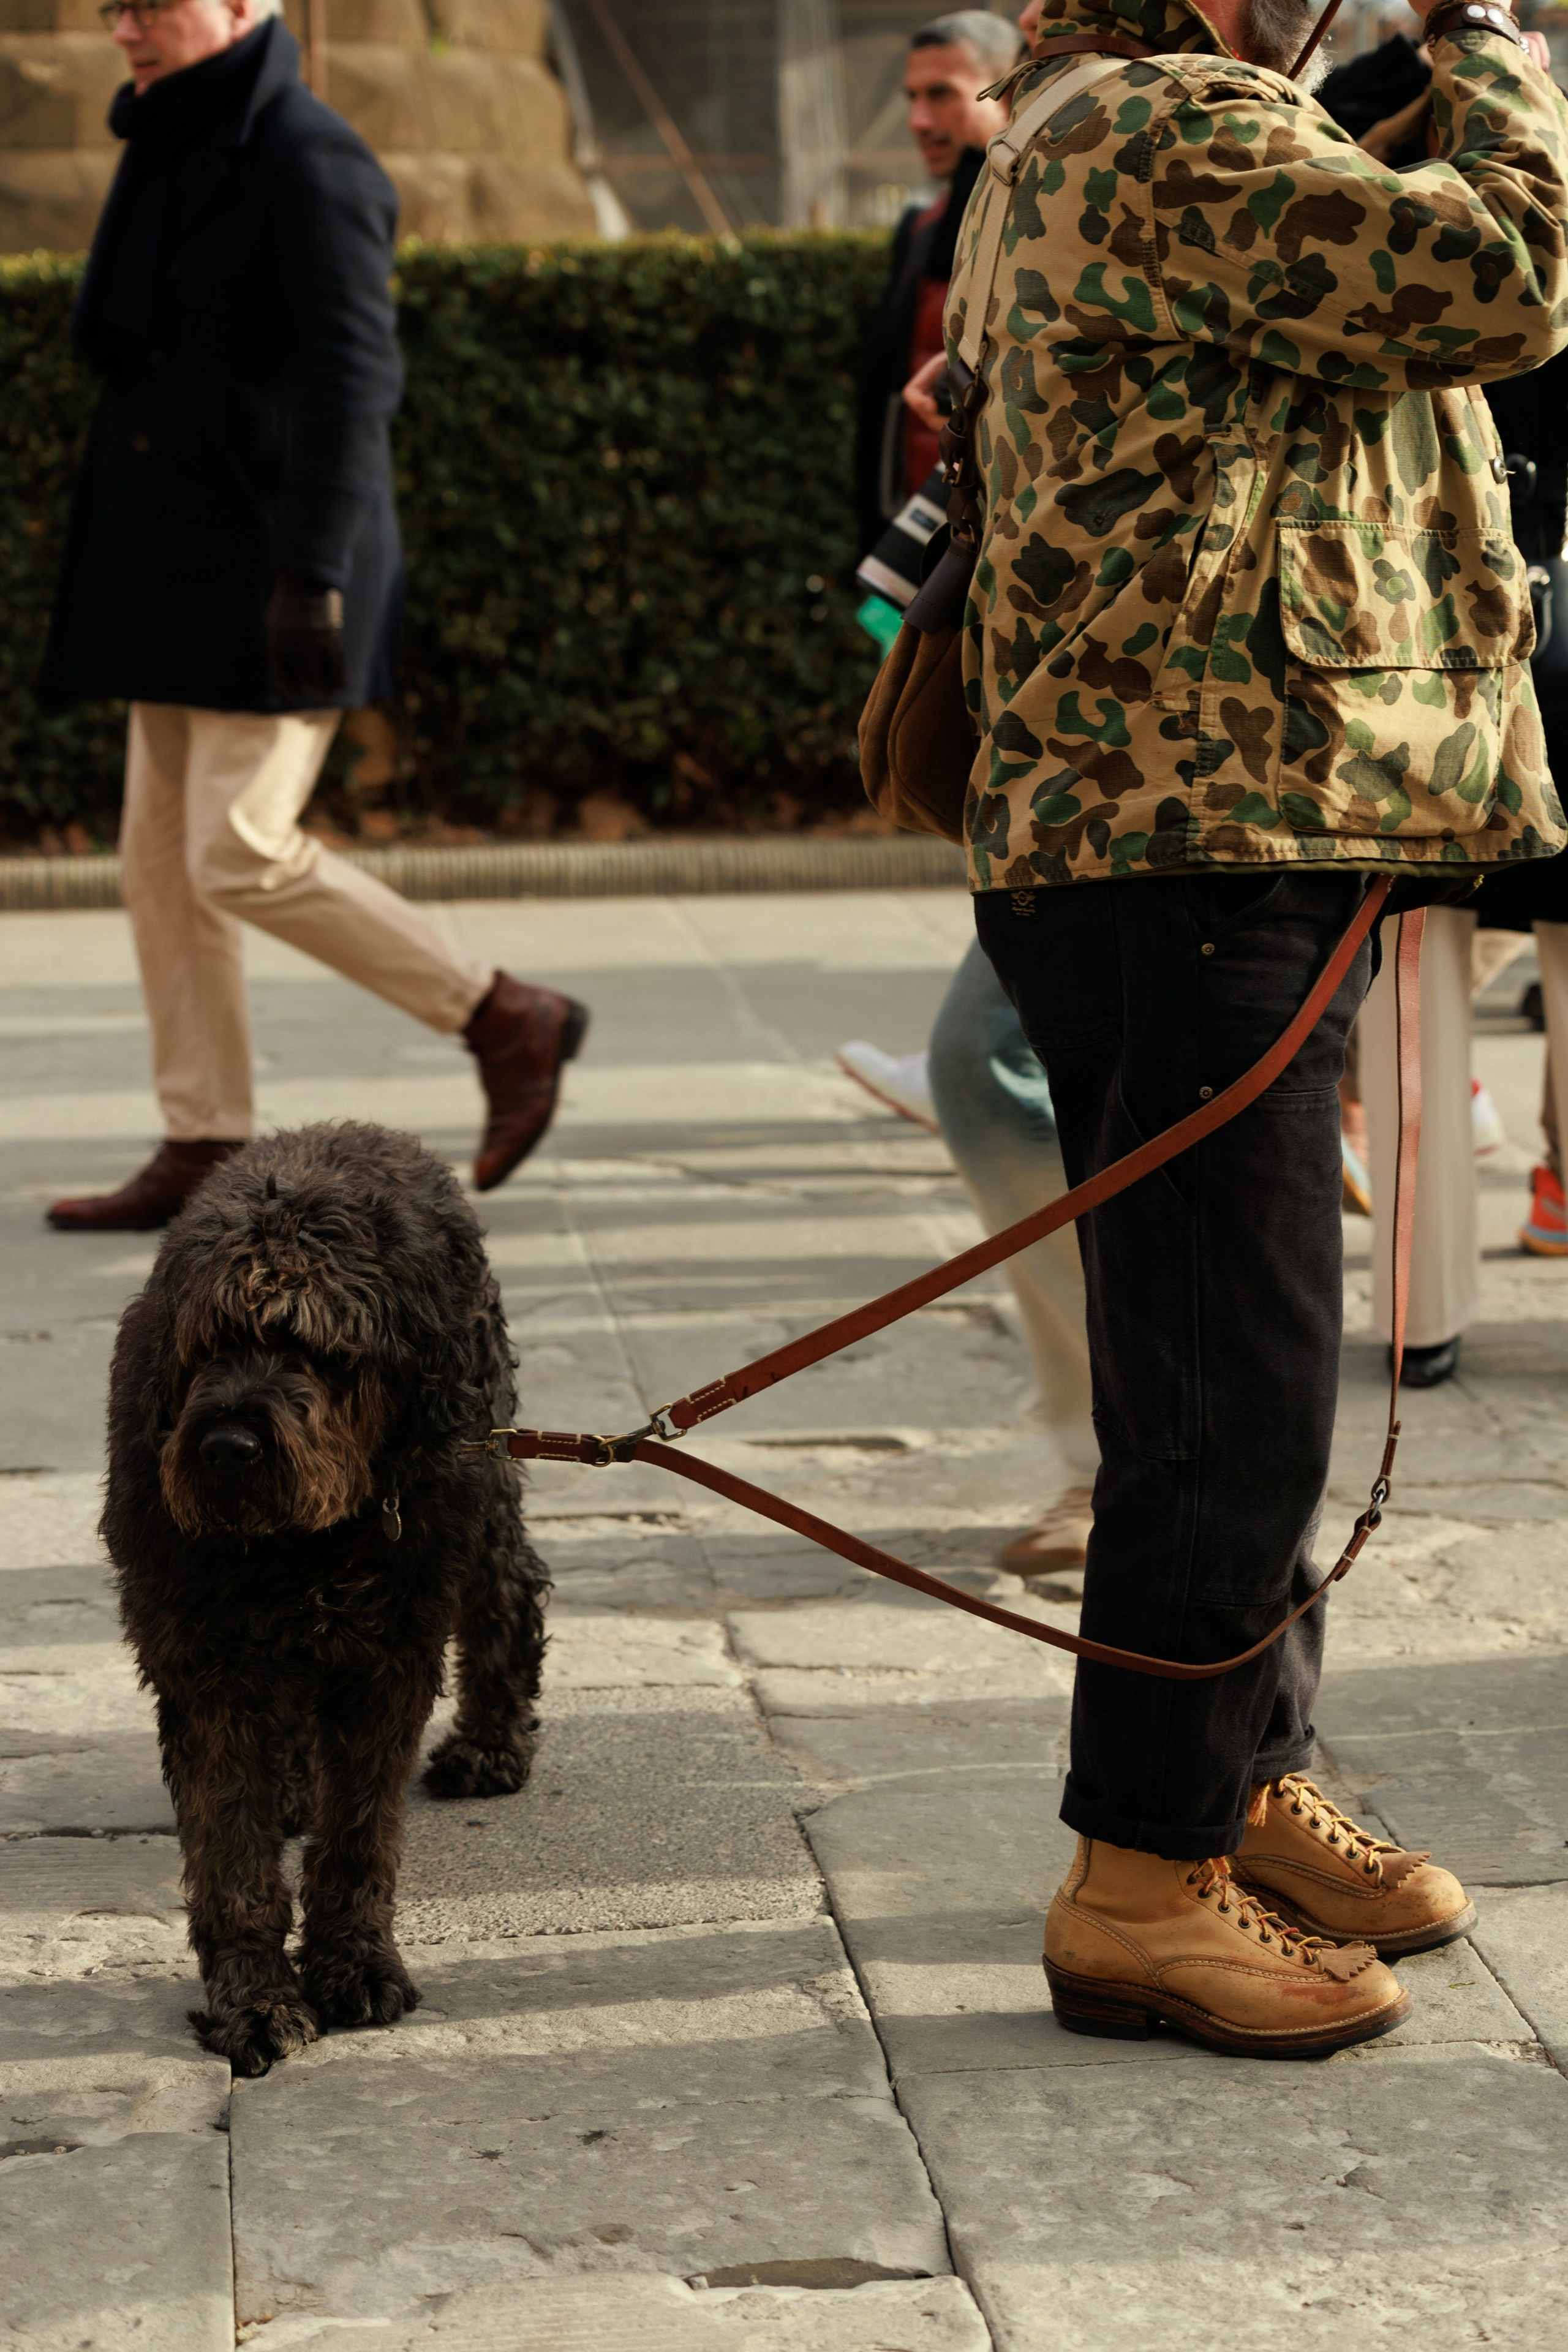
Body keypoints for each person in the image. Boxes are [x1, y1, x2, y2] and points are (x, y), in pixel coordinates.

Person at [919, 0, 1568, 2054]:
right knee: (1229, 1397)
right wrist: (1494, 44)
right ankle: (1139, 1878)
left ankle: (1241, 1784)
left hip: (1188, 834)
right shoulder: (1177, 129)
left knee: (1217, 1362)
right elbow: (1509, 269)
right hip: (1191, 846)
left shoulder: (1105, 118)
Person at [39, 0, 586, 1234]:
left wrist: (313, 573)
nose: (125, 29)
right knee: (157, 869)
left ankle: (503, 1014)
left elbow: (354, 380)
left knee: (235, 848)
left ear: (244, 6)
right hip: (177, 564)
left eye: (153, 5)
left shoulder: (309, 154)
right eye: (114, 7)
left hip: (282, 564)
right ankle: (203, 1134)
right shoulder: (167, 142)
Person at [853, 10, 1021, 555]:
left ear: (1006, 90)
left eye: (942, 94)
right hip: (920, 539)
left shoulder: (1043, 222)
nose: (919, 120)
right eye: (913, 98)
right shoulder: (922, 230)